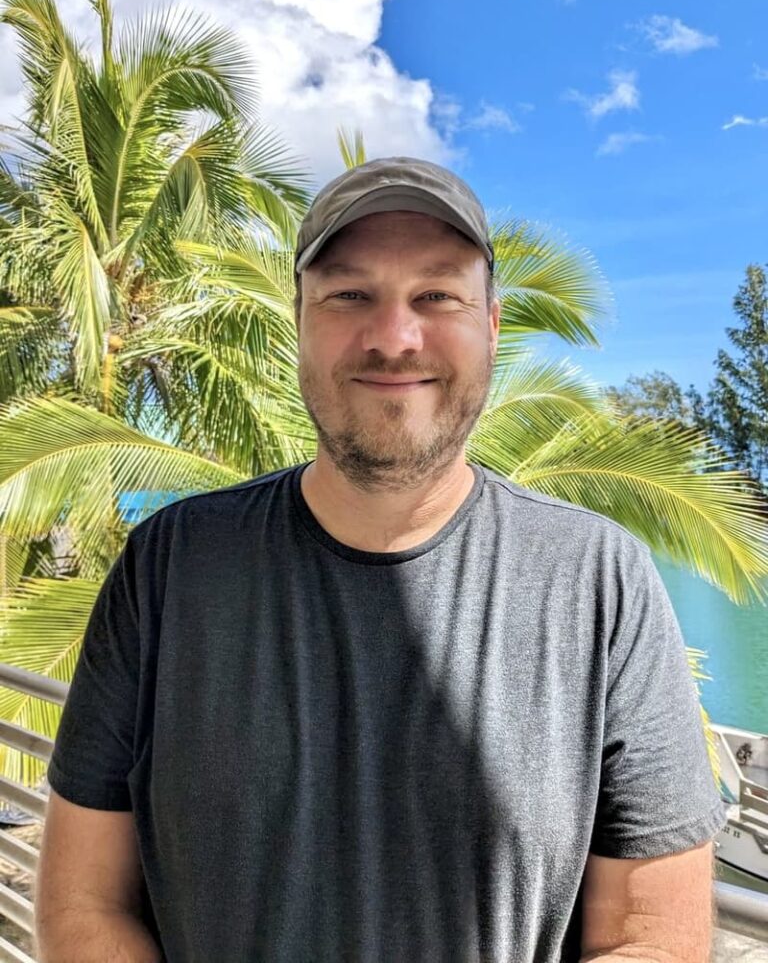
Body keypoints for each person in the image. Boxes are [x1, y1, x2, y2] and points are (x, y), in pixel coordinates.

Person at [35, 157, 726, 963]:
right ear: (299, 321)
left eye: (436, 295)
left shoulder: (601, 580)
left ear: (492, 325)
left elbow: (657, 938)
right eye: (349, 295)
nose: (394, 338)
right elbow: (82, 904)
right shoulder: (169, 566)